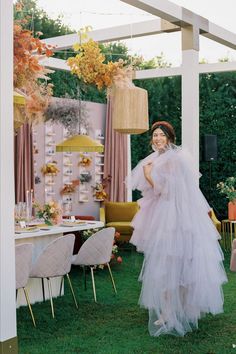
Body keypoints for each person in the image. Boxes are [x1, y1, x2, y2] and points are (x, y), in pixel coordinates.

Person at [130, 121, 227, 337]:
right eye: (154, 135)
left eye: (161, 135)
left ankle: (174, 311)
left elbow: (169, 192)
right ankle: (168, 310)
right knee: (164, 266)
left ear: (169, 138)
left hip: (174, 219)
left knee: (173, 266)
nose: (157, 138)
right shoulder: (154, 159)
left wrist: (149, 177)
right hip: (161, 217)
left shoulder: (173, 159)